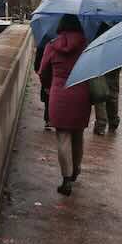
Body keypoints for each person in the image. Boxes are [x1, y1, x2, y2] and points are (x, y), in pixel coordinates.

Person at [39, 15, 91, 196]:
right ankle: (76, 170)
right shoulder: (86, 45)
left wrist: (47, 85)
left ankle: (66, 178)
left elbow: (43, 71)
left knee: (63, 136)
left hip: (59, 94)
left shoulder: (52, 46)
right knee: (78, 134)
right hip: (81, 94)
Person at [91, 23, 122, 135]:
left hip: (99, 62)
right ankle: (113, 121)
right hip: (114, 61)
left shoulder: (96, 27)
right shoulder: (117, 26)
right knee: (113, 93)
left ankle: (101, 125)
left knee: (100, 93)